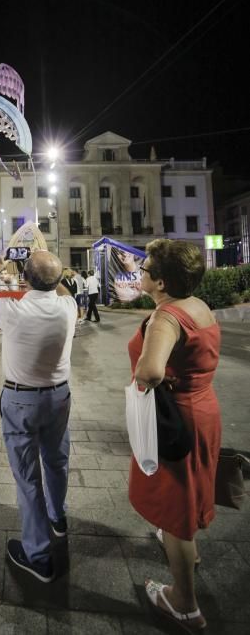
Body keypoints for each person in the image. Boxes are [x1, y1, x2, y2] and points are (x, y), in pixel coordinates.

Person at [128, 239, 221, 632]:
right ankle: (187, 554)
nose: (141, 273)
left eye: (146, 270)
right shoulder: (197, 306)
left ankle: (184, 604)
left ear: (161, 282)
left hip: (176, 420)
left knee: (177, 510)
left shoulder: (166, 318)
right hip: (203, 410)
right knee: (188, 493)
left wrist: (154, 383)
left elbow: (148, 372)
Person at [0, 250, 77, 583]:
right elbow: (63, 289)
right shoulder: (69, 307)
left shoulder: (13, 311)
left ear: (25, 278)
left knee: (27, 476)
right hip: (59, 396)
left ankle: (37, 555)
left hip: (21, 400)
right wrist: (54, 270)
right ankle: (57, 518)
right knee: (56, 461)